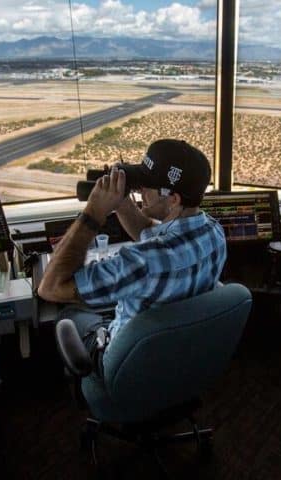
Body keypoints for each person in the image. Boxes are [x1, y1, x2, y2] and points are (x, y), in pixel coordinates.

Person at [37, 139, 227, 373]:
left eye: (146, 185)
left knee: (70, 313)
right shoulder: (214, 233)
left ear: (173, 199)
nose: (140, 189)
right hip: (178, 354)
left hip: (128, 364)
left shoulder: (142, 264)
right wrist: (121, 203)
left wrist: (94, 211)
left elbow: (51, 287)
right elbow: (150, 232)